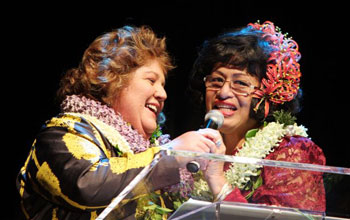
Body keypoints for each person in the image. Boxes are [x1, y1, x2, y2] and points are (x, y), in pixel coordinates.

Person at [16, 25, 222, 220]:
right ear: (112, 80)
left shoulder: (149, 152)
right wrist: (167, 156)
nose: (163, 94)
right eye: (151, 80)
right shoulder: (61, 133)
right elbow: (86, 184)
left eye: (163, 85)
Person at [166, 21, 326, 213]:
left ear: (267, 94)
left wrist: (217, 179)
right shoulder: (194, 150)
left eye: (240, 83)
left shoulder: (292, 153)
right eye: (216, 80)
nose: (223, 92)